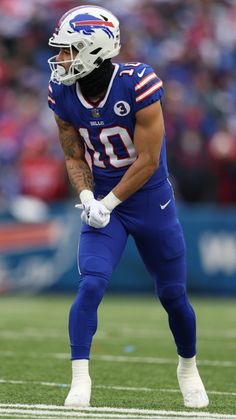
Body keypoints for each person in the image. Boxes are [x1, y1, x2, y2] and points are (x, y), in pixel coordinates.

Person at [47, 5, 209, 409]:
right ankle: (80, 379)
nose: (61, 59)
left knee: (173, 296)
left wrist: (109, 201)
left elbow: (149, 161)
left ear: (95, 49)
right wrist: (88, 199)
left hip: (150, 199)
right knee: (90, 284)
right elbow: (72, 154)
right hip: (102, 198)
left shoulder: (138, 83)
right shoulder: (62, 92)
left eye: (69, 50)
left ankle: (187, 366)